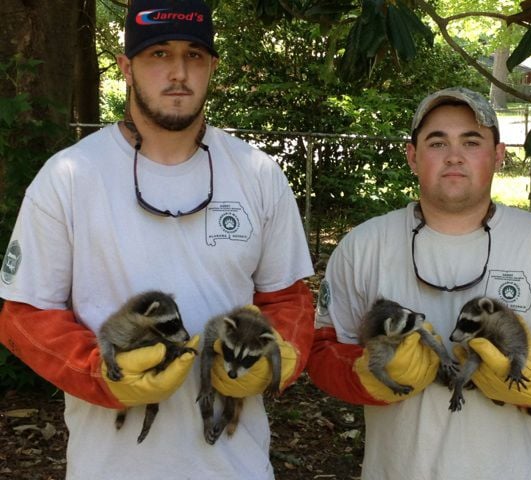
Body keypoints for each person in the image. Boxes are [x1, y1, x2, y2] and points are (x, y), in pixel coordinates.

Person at [0, 1, 314, 478]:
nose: (178, 72)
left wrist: (275, 362)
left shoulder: (258, 175)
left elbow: (289, 299)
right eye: (158, 54)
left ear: (212, 66)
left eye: (194, 55)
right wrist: (102, 372)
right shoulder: (69, 176)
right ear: (127, 67)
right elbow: (25, 316)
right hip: (109, 466)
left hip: (236, 465)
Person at [306, 87, 531, 479]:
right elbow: (322, 351)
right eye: (437, 142)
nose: (454, 155)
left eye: (471, 141)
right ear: (412, 156)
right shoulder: (363, 246)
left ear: (498, 155)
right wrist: (371, 377)